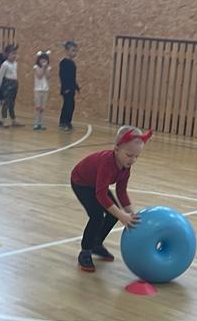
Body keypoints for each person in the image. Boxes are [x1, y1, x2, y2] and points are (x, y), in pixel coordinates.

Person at [70, 125, 150, 272]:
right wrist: (122, 215)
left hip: (96, 184)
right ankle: (85, 251)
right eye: (129, 155)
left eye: (136, 156)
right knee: (97, 216)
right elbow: (101, 195)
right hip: (81, 182)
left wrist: (131, 214)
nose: (132, 160)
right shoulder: (107, 163)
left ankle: (96, 244)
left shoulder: (126, 166)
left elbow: (121, 192)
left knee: (113, 214)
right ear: (116, 149)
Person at [59, 39, 80, 131]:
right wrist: (65, 88)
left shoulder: (72, 63)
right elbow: (62, 76)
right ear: (67, 51)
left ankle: (68, 122)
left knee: (71, 106)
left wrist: (76, 86)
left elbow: (72, 77)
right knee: (67, 106)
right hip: (66, 89)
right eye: (73, 51)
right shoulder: (64, 62)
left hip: (71, 88)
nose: (74, 53)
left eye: (75, 51)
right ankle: (63, 122)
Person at [0, 44, 20, 126]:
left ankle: (13, 120)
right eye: (12, 54)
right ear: (7, 54)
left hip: (14, 83)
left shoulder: (15, 63)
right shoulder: (5, 64)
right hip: (8, 84)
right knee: (6, 103)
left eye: (15, 54)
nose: (14, 55)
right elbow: (0, 76)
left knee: (12, 103)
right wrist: (1, 87)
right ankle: (4, 119)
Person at [33, 50, 51, 131]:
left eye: (45, 59)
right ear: (38, 60)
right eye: (41, 59)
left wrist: (46, 68)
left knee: (43, 108)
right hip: (37, 90)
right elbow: (39, 76)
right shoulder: (36, 67)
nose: (43, 61)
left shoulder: (49, 68)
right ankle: (36, 123)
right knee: (38, 107)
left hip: (45, 90)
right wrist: (43, 67)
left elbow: (48, 77)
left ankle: (41, 123)